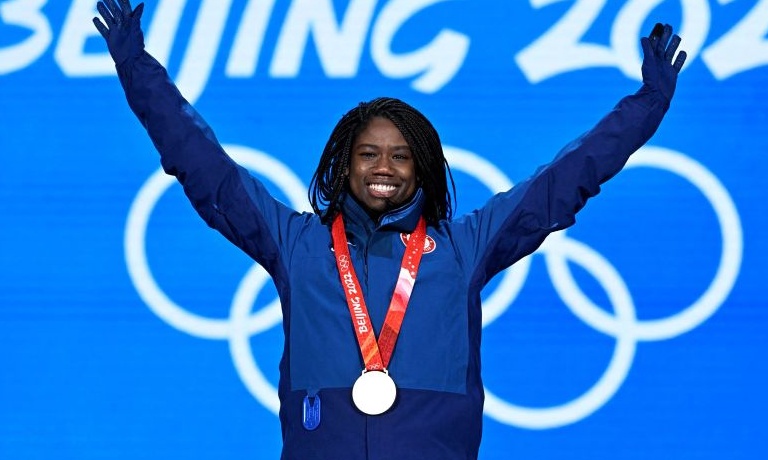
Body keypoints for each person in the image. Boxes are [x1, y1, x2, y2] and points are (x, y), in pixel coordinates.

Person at [93, 1, 687, 459]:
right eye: (368, 154)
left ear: (421, 168)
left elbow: (566, 178)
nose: (383, 167)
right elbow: (205, 168)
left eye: (401, 156)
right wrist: (135, 68)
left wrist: (648, 105)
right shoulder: (297, 246)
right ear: (343, 164)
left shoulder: (462, 249)